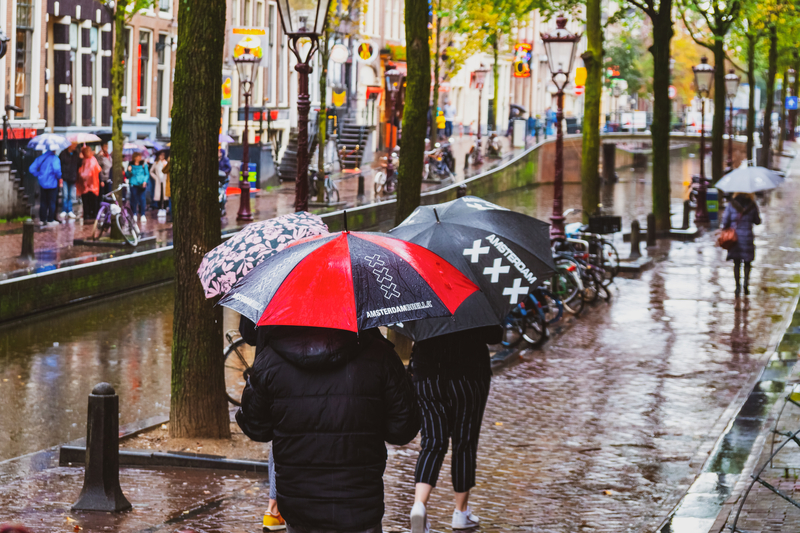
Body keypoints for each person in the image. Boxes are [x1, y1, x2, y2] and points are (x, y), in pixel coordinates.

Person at [236, 326, 420, 533]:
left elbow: (255, 426)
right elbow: (403, 428)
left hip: (299, 506)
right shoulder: (381, 355)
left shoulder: (270, 359)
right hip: (359, 503)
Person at [408, 326, 501, 533]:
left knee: (432, 443)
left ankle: (419, 506)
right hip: (468, 376)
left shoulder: (422, 294)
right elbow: (494, 335)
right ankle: (461, 512)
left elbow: (412, 331)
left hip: (428, 375)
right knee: (464, 442)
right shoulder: (475, 295)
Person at [721, 192, 762, 296]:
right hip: (747, 237)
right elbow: (757, 221)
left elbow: (725, 222)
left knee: (737, 263)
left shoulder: (731, 205)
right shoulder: (752, 205)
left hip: (736, 238)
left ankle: (737, 287)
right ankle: (746, 286)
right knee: (747, 263)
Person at [29, 149, 62, 227]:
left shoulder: (41, 158)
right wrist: (58, 177)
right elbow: (57, 170)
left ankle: (42, 219)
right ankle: (50, 219)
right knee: (52, 202)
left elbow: (31, 169)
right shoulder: (55, 159)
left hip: (42, 183)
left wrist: (39, 174)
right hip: (52, 183)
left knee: (43, 201)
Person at [59, 141, 81, 220]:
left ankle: (70, 210)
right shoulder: (63, 154)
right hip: (65, 177)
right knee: (65, 195)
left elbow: (79, 164)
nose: (75, 146)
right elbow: (60, 164)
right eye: (74, 144)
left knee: (71, 195)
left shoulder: (76, 154)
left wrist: (80, 158)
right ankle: (64, 210)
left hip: (72, 177)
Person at [78, 145, 101, 221]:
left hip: (92, 185)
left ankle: (93, 213)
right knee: (86, 201)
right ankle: (87, 214)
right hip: (86, 185)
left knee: (92, 200)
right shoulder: (83, 160)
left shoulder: (93, 160)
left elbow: (96, 170)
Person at [125, 152, 149, 222]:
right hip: (133, 184)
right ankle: (134, 213)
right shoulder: (130, 165)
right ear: (135, 157)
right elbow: (127, 175)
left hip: (141, 185)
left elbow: (147, 174)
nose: (139, 158)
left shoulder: (143, 165)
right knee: (134, 199)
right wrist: (129, 171)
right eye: (138, 156)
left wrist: (145, 181)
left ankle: (142, 214)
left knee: (142, 199)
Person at [150, 150, 168, 217]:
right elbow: (151, 171)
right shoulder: (156, 163)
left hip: (164, 181)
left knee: (165, 196)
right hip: (158, 181)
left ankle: (165, 209)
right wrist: (155, 177)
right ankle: (160, 208)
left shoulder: (166, 163)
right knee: (159, 196)